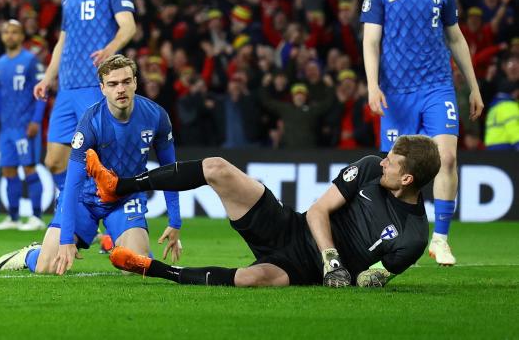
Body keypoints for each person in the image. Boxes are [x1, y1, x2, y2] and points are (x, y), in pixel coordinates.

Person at [95, 135, 441, 288]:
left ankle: (152, 269)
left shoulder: (413, 237)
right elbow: (318, 211)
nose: (383, 162)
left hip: (301, 269)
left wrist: (365, 279)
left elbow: (374, 277)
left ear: (408, 178)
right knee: (217, 167)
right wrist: (332, 259)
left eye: (391, 164)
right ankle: (119, 185)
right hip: (290, 228)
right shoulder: (368, 167)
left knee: (250, 279)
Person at [361, 0, 484, 266]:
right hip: (396, 93)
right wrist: (372, 85)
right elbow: (371, 41)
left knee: (446, 158)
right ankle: (389, 240)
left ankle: (441, 239)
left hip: (437, 86)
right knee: (394, 175)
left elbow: (455, 37)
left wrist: (473, 87)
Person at [0, 54, 181, 275]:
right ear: (102, 88)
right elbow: (72, 183)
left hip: (125, 197)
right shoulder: (91, 123)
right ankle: (32, 254)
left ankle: (132, 248)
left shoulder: (156, 116)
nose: (120, 89)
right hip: (85, 197)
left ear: (135, 83)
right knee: (49, 266)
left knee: (135, 266)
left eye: (126, 82)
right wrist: (65, 240)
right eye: (112, 84)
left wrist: (175, 221)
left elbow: (170, 171)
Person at [34, 0, 136, 199]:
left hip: (94, 85)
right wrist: (48, 77)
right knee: (54, 161)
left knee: (102, 159)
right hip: (67, 90)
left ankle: (113, 221)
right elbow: (62, 41)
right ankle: (81, 210)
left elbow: (128, 26)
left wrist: (110, 49)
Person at [0, 19, 46, 231]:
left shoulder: (31, 61)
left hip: (24, 124)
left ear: (21, 36)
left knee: (29, 168)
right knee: (8, 170)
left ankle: (37, 217)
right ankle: (13, 217)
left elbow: (42, 91)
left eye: (14, 32)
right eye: (6, 32)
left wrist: (36, 120)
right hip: (6, 128)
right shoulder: (0, 64)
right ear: (2, 36)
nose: (10, 36)